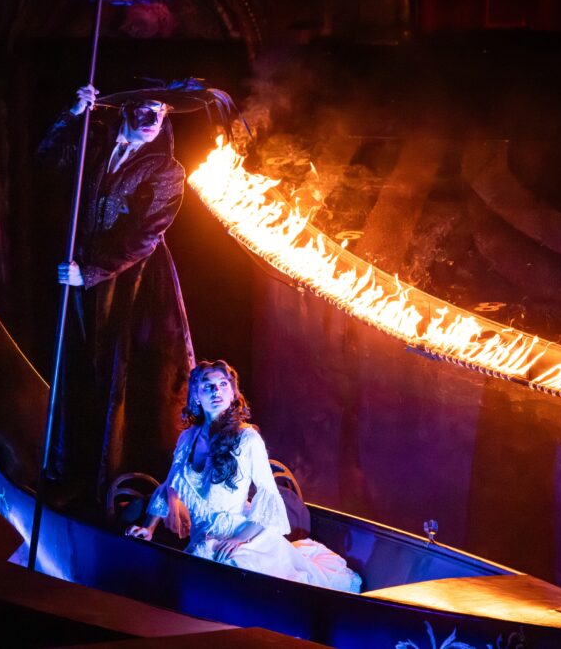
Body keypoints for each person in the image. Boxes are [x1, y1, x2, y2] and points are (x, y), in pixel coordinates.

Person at [38, 84, 195, 504]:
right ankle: (78, 468)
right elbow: (48, 158)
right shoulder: (94, 146)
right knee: (82, 367)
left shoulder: (167, 169)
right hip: (83, 275)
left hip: (133, 282)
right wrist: (73, 113)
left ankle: (124, 476)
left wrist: (89, 272)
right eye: (145, 110)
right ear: (126, 109)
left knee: (122, 372)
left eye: (160, 114)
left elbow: (146, 234)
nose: (152, 121)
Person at [127, 360, 362, 593]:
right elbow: (170, 486)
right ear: (196, 395)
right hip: (204, 541)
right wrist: (148, 529)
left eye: (223, 384)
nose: (216, 391)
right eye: (208, 385)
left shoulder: (247, 440)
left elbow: (268, 494)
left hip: (243, 538)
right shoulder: (187, 438)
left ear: (232, 394)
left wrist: (240, 539)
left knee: (228, 577)